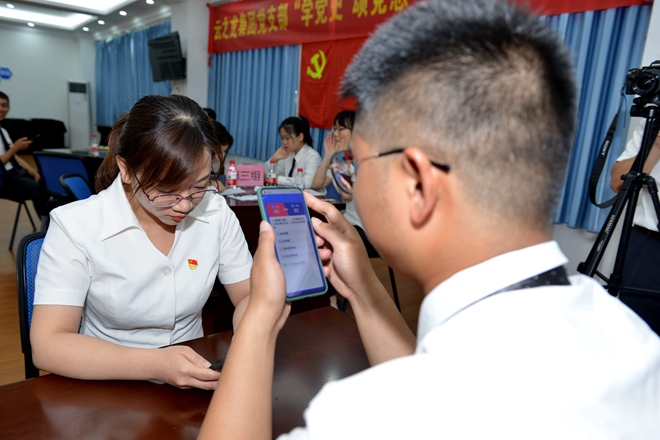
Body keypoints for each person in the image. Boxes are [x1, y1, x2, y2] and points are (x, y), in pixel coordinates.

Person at [198, 0, 660, 437]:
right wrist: (364, 290)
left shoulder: (363, 417)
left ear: (416, 183)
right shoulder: (629, 337)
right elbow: (421, 375)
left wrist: (258, 320)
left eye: (362, 162)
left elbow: (418, 396)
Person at [31, 95, 252, 390]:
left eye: (199, 187)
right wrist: (156, 364)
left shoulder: (216, 213)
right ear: (125, 169)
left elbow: (248, 295)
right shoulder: (76, 225)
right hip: (105, 385)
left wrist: (252, 334)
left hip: (194, 380)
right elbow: (48, 345)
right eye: (166, 190)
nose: (184, 205)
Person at [610, 118, 660, 334]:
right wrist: (655, 147)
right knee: (636, 331)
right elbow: (617, 182)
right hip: (648, 246)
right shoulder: (653, 122)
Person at [311, 110, 376, 254]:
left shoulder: (365, 159)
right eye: (335, 129)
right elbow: (316, 184)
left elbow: (346, 194)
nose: (336, 134)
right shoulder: (341, 162)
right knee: (314, 232)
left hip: (365, 229)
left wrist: (336, 157)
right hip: (348, 222)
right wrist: (328, 155)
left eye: (341, 129)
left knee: (323, 241)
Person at [0, 91, 49, 228]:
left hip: (14, 173)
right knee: (36, 188)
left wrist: (32, 171)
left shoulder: (3, 131)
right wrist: (16, 147)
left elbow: (13, 156)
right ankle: (46, 227)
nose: (1, 109)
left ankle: (49, 220)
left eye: (4, 105)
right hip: (3, 179)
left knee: (44, 180)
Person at [267, 115, 321, 188]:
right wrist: (274, 158)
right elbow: (266, 174)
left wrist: (278, 179)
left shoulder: (313, 157)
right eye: (282, 138)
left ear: (300, 137)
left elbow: (308, 183)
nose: (284, 142)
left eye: (287, 138)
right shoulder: (288, 153)